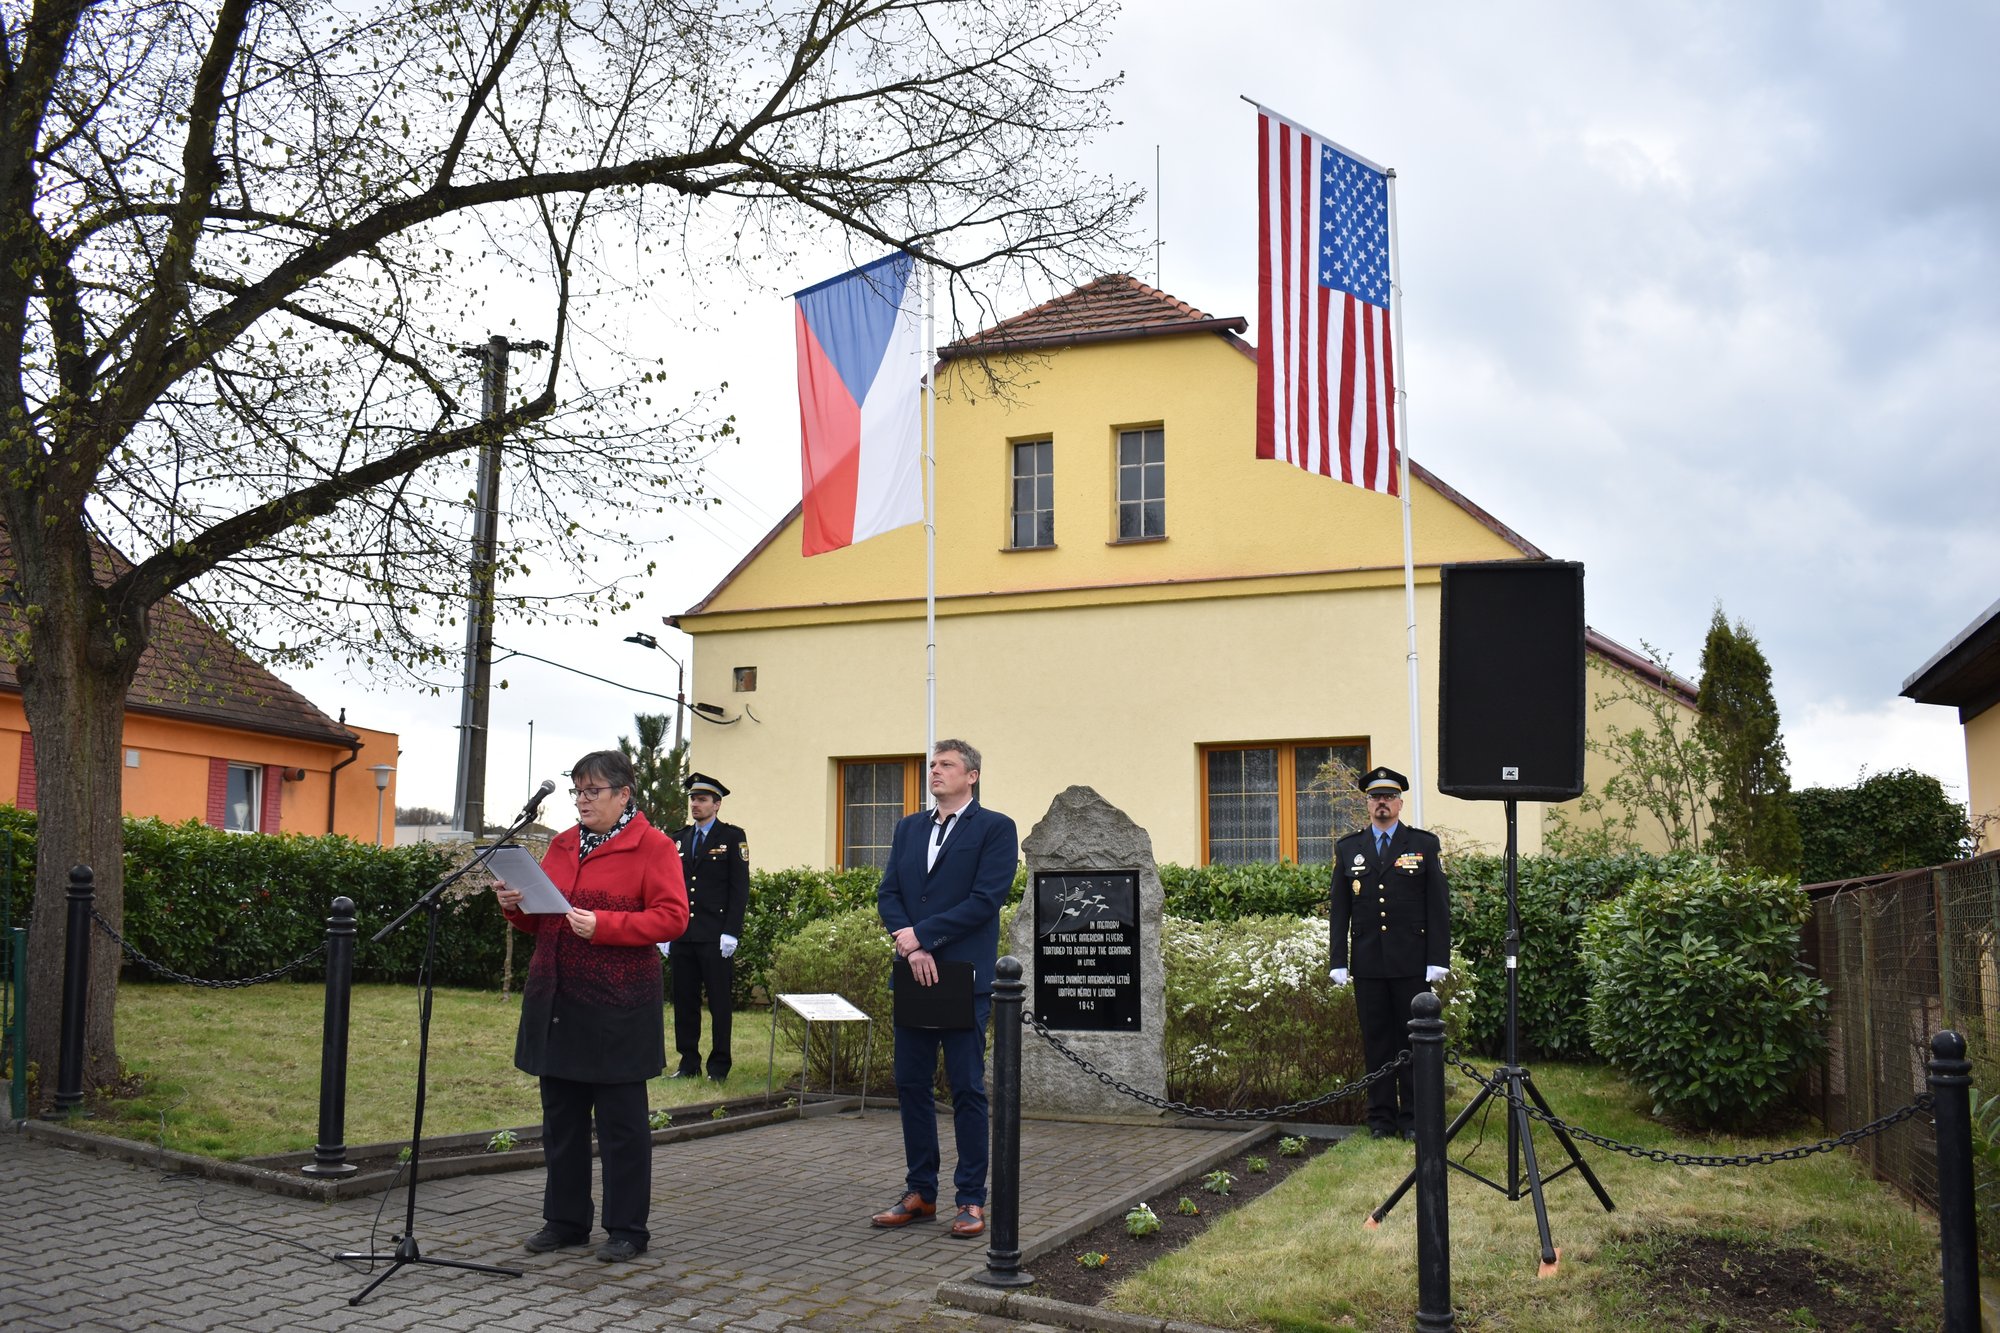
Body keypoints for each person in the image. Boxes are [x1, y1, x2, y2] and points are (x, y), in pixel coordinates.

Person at [493, 750, 688, 1263]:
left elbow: (673, 918)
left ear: (623, 794)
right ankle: (565, 1221)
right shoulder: (561, 844)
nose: (582, 800)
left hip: (618, 1005)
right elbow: (542, 917)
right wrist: (514, 906)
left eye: (592, 791)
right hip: (557, 998)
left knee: (623, 1126)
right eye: (577, 790)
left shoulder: (654, 846)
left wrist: (606, 925)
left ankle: (627, 1228)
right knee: (562, 1120)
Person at [869, 739, 1018, 1240]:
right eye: (932, 764)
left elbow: (986, 899)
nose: (935, 771)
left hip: (962, 978)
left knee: (967, 1088)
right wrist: (911, 946)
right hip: (913, 973)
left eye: (946, 765)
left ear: (971, 775)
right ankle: (921, 1192)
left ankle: (971, 1198)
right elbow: (889, 892)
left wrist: (925, 937)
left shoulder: (995, 828)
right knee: (910, 1084)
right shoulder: (909, 828)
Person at [1329, 766, 1451, 1140]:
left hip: (1411, 963)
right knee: (1377, 1042)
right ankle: (1381, 1119)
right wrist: (1338, 960)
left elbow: (1438, 906)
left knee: (1412, 1042)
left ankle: (1413, 1118)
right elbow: (1340, 910)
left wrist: (1438, 958)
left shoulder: (1423, 845)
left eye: (1389, 797)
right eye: (1375, 797)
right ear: (1367, 804)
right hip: (1368, 965)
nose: (1382, 803)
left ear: (1400, 803)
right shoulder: (1349, 848)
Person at [666, 772, 751, 1081]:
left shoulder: (732, 837)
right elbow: (669, 886)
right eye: (692, 799)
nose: (695, 804)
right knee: (684, 1002)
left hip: (715, 936)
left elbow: (739, 888)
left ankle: (719, 1066)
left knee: (719, 1003)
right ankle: (688, 1063)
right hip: (683, 935)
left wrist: (731, 931)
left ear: (717, 804)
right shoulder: (679, 838)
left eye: (701, 799)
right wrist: (665, 930)